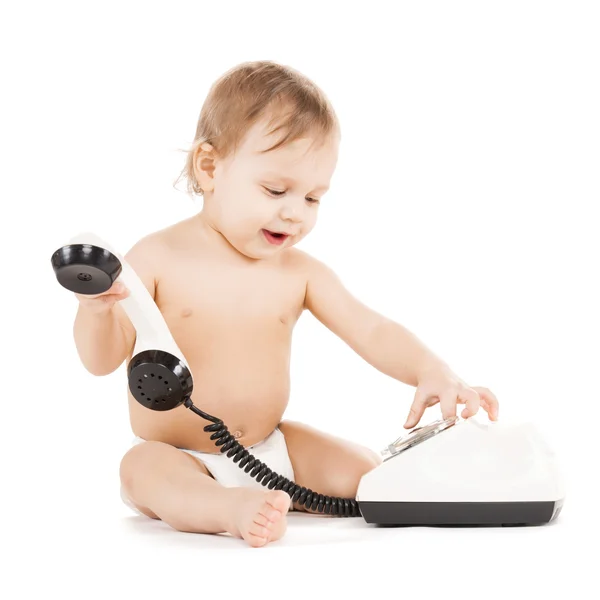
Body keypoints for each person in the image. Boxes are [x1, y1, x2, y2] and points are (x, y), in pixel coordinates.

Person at [73, 60, 499, 548]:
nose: (295, 213)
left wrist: (432, 370)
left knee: (370, 473)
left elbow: (372, 330)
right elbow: (100, 361)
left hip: (272, 447)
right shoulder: (155, 258)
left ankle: (287, 493)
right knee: (141, 470)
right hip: (178, 455)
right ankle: (224, 508)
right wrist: (97, 311)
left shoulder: (299, 272)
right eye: (276, 190)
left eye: (314, 198)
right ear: (209, 167)